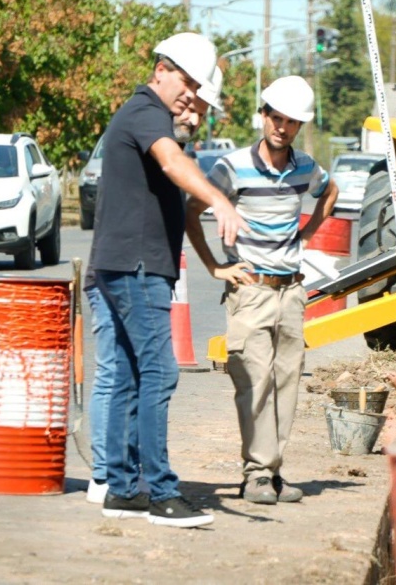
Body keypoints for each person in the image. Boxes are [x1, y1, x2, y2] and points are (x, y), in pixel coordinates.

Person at [90, 32, 247, 528]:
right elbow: (173, 162)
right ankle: (160, 493)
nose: (189, 93)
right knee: (160, 372)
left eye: (197, 86)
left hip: (128, 263)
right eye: (185, 80)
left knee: (132, 375)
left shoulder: (150, 116)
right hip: (135, 266)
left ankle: (120, 487)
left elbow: (177, 173)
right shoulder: (146, 113)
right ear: (161, 68)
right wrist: (220, 200)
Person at [184, 75, 339, 505]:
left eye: (291, 122)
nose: (282, 128)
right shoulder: (231, 168)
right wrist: (216, 267)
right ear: (264, 116)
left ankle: (272, 471)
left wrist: (307, 234)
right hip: (250, 291)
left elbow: (330, 192)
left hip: (291, 292)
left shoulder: (305, 167)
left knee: (287, 382)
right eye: (276, 118)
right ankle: (254, 473)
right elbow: (192, 212)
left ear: (299, 127)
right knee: (253, 383)